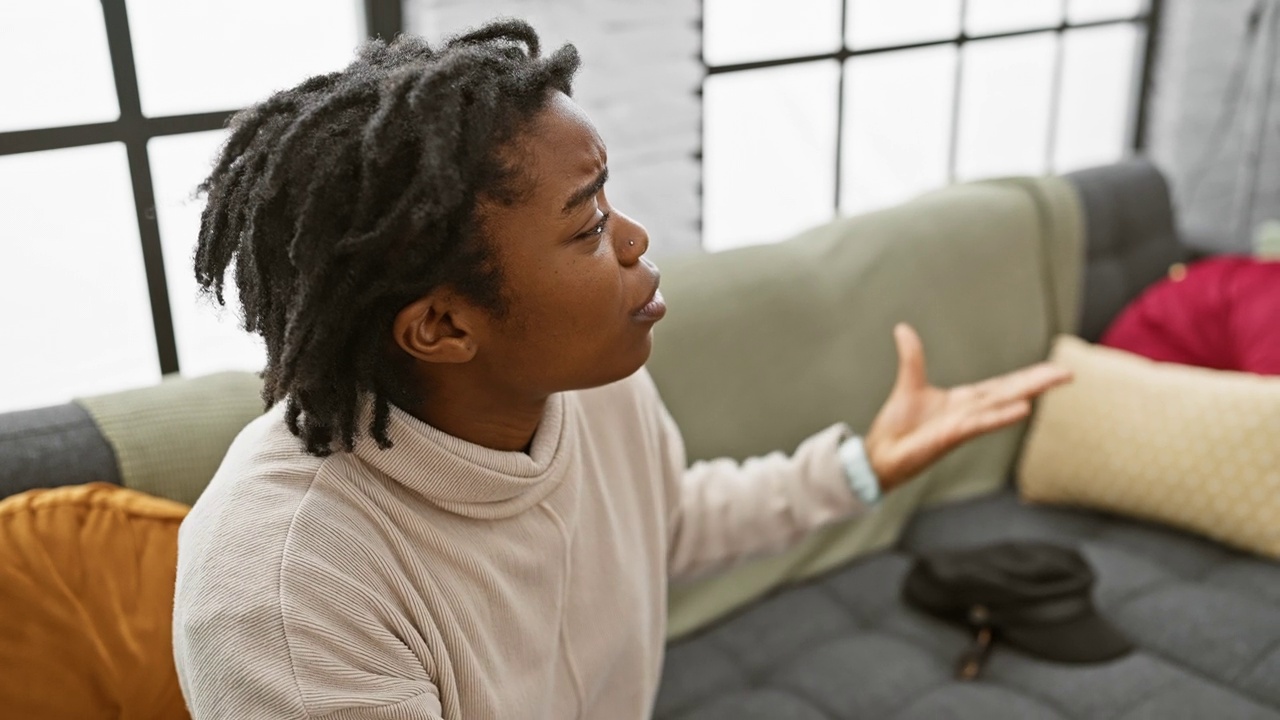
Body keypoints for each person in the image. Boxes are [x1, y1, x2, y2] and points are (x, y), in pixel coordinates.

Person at [172, 20, 1071, 719]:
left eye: (609, 199)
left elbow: (661, 525)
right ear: (442, 325)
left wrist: (860, 468)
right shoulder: (286, 594)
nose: (636, 239)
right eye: (588, 226)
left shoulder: (584, 389)